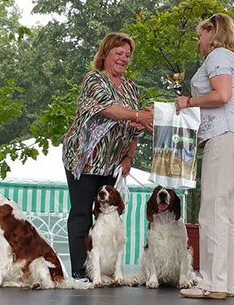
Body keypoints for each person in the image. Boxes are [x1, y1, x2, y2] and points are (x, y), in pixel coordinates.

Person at [62, 32, 153, 281]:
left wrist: (129, 157)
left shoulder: (132, 87)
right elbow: (109, 110)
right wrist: (137, 116)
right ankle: (81, 271)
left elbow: (136, 127)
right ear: (105, 54)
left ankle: (104, 270)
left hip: (112, 164)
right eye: (119, 53)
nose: (124, 59)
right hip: (84, 160)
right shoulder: (94, 79)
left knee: (106, 214)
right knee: (82, 212)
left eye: (127, 55)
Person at [175, 13, 234, 299]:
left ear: (214, 33)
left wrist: (188, 101)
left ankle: (211, 282)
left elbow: (222, 95)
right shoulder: (230, 59)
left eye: (201, 35)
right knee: (225, 213)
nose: (199, 41)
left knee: (212, 211)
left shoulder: (218, 55)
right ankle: (226, 282)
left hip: (224, 136)